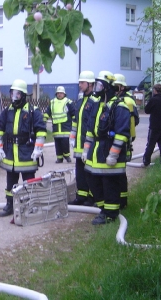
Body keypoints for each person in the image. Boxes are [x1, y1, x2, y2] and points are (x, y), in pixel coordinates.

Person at [82, 71, 130, 225]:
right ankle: (103, 209)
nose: (97, 88)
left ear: (108, 87)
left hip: (109, 150)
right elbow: (90, 130)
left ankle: (110, 214)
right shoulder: (97, 104)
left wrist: (113, 155)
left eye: (100, 85)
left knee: (109, 183)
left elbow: (122, 134)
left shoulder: (120, 107)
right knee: (92, 178)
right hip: (95, 150)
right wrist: (85, 150)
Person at [0, 79, 47, 217]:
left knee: (29, 182)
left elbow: (41, 131)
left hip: (27, 151)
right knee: (10, 182)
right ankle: (9, 205)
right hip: (10, 153)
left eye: (17, 94)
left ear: (23, 95)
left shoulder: (33, 111)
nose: (14, 97)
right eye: (12, 94)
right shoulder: (7, 111)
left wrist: (38, 149)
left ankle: (30, 206)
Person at [68, 71, 99, 206]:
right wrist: (72, 136)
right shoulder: (80, 100)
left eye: (82, 82)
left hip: (90, 144)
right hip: (79, 144)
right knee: (80, 171)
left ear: (90, 84)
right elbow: (76, 121)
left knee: (90, 172)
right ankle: (81, 196)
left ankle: (92, 198)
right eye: (79, 82)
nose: (80, 85)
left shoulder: (95, 101)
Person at [113, 74, 140, 209]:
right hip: (119, 139)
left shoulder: (128, 101)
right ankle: (118, 199)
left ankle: (122, 200)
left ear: (122, 87)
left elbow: (135, 120)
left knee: (120, 171)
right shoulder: (115, 99)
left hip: (124, 140)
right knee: (116, 171)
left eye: (116, 86)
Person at [44, 86, 75, 163]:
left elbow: (73, 113)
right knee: (57, 144)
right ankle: (59, 158)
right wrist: (43, 120)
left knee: (65, 143)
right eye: (58, 93)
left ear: (64, 94)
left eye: (61, 93)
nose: (60, 95)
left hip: (65, 127)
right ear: (56, 94)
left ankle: (67, 156)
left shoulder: (68, 102)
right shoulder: (52, 102)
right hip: (56, 128)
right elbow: (48, 112)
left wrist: (75, 121)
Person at [143, 83, 161, 166]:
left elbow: (146, 110)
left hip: (154, 126)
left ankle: (146, 161)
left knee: (151, 144)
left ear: (155, 90)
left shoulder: (153, 100)